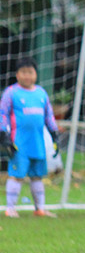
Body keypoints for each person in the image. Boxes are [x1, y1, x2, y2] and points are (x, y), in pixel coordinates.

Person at [1, 57, 61, 218]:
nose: (27, 76)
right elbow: (3, 114)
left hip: (37, 143)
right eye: (23, 72)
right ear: (17, 74)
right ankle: (10, 208)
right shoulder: (11, 93)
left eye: (30, 72)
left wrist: (54, 133)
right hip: (19, 143)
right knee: (17, 175)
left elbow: (49, 116)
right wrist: (4, 134)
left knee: (37, 176)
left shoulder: (41, 93)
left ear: (35, 74)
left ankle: (39, 208)